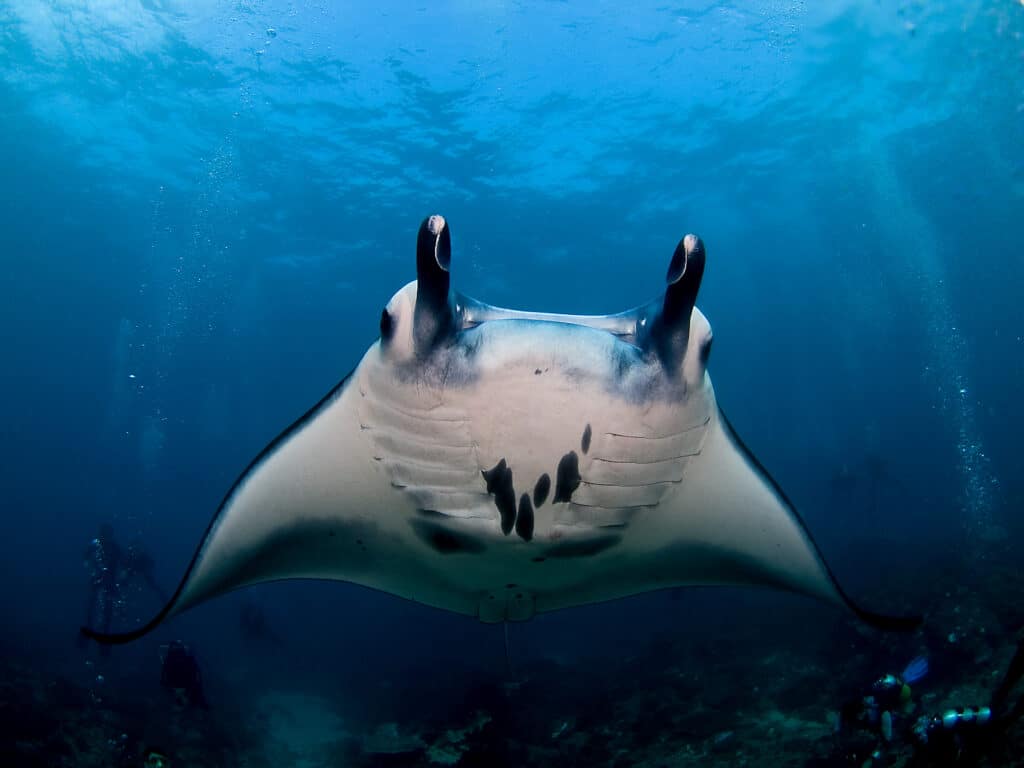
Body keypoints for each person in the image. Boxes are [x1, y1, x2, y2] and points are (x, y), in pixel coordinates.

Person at [80, 525, 167, 654]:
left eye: (107, 535)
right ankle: (89, 638)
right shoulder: (96, 545)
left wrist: (138, 563)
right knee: (93, 610)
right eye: (104, 535)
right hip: (99, 582)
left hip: (108, 584)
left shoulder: (113, 548)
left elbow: (126, 563)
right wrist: (93, 570)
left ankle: (102, 643)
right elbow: (86, 559)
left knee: (106, 613)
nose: (105, 539)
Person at [159, 640, 207, 709]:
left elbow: (164, 676)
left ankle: (188, 701)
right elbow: (196, 673)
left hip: (178, 684)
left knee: (190, 693)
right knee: (193, 692)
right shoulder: (186, 658)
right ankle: (191, 701)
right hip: (184, 684)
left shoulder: (169, 659)